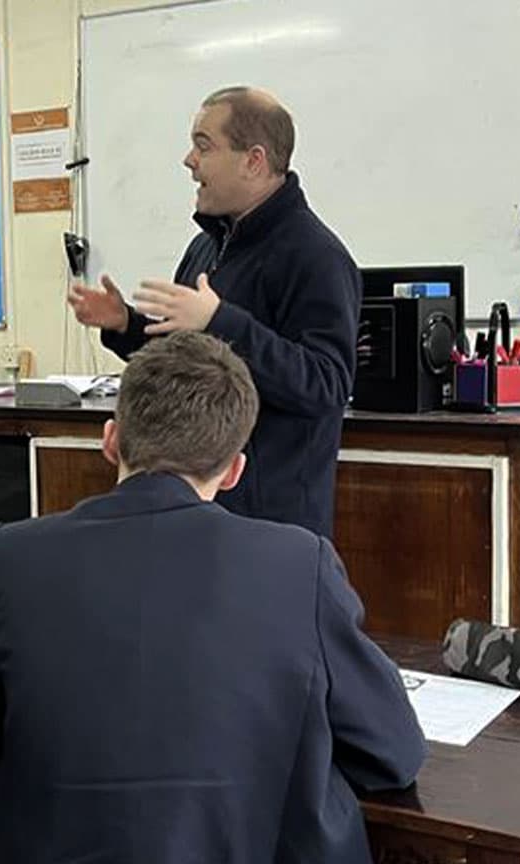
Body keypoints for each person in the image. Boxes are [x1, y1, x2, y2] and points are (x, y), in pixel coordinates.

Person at [0, 332, 426, 864]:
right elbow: (394, 750)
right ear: (234, 469)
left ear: (111, 440)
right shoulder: (298, 565)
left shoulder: (11, 557)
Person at [69, 86, 359, 537]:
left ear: (254, 161)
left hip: (269, 523)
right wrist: (126, 324)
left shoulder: (317, 256)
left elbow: (326, 384)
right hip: (192, 508)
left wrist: (220, 321)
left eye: (203, 146)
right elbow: (186, 361)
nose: (189, 161)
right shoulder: (206, 247)